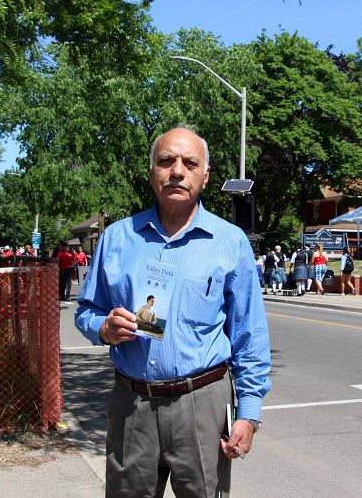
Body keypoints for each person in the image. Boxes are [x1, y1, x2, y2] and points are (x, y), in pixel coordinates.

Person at [75, 127, 271, 498]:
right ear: (152, 172)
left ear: (205, 175)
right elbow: (87, 309)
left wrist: (248, 412)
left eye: (189, 162)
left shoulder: (230, 242)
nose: (177, 171)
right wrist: (103, 327)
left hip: (202, 406)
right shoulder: (118, 238)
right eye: (166, 161)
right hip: (132, 404)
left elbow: (249, 335)